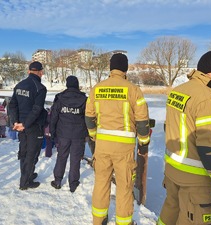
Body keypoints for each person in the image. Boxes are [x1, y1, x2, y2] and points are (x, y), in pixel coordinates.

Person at [158, 50, 211, 225]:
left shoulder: (179, 91)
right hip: (195, 182)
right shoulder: (207, 99)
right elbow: (210, 151)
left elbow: (177, 126)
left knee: (169, 214)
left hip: (173, 171)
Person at [85, 53, 150, 225]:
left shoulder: (97, 88)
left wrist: (94, 135)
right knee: (124, 186)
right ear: (125, 68)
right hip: (124, 149)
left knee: (101, 183)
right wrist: (143, 142)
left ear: (110, 68)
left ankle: (98, 220)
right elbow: (143, 122)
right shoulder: (134, 90)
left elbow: (89, 117)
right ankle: (123, 222)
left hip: (102, 146)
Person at [9, 61, 48, 190]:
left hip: (20, 125)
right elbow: (37, 109)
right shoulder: (40, 88)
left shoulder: (19, 85)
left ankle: (27, 174)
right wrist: (25, 124)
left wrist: (15, 122)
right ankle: (25, 182)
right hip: (32, 126)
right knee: (32, 153)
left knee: (24, 151)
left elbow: (12, 105)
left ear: (28, 71)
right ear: (41, 72)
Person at [50, 76, 88, 192]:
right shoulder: (84, 99)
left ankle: (57, 181)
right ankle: (73, 183)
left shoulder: (60, 98)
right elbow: (88, 117)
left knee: (61, 157)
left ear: (67, 85)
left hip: (63, 133)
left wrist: (52, 132)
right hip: (78, 134)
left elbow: (53, 117)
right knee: (75, 159)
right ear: (77, 85)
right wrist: (87, 133)